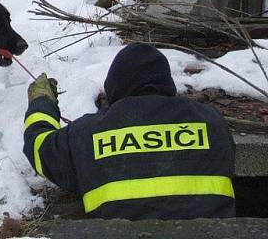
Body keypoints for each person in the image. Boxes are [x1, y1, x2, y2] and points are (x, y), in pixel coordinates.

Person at [23, 43, 236, 219]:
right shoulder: (211, 122)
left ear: (115, 87)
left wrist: (41, 101)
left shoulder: (89, 132)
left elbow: (39, 147)